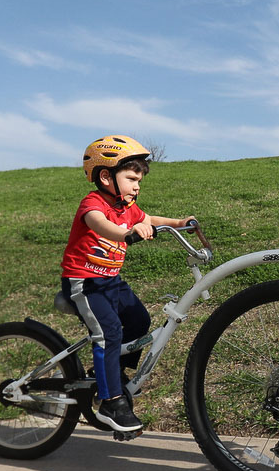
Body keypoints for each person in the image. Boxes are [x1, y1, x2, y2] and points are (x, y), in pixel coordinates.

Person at [60, 135, 195, 434]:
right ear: (105, 177)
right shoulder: (93, 203)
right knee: (109, 334)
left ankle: (113, 372)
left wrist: (178, 223)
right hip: (85, 282)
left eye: (139, 181)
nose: (137, 186)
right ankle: (110, 401)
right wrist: (126, 234)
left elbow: (149, 218)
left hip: (111, 281)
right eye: (131, 179)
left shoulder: (127, 206)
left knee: (139, 320)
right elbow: (100, 224)